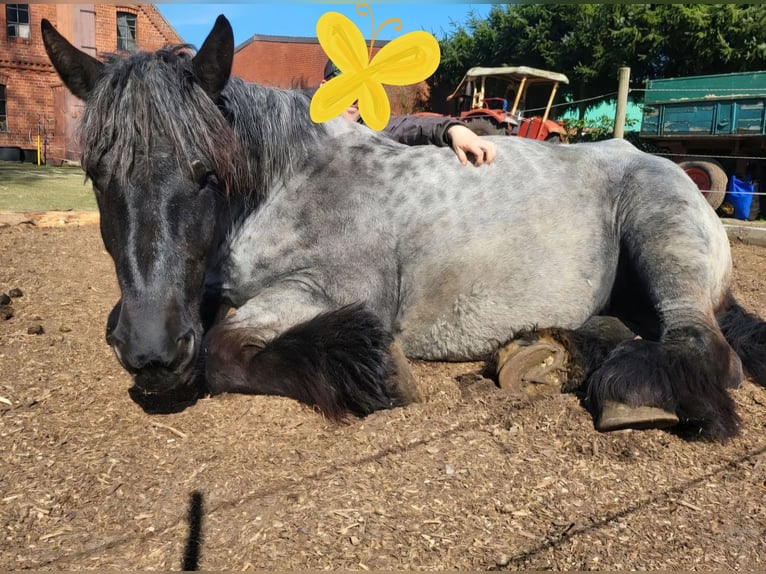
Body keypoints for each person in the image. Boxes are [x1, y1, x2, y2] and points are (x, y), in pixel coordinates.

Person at [318, 60, 496, 167]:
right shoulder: (305, 126)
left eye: (361, 86)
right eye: (344, 85)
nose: (354, 95)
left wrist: (453, 129)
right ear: (324, 87)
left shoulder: (369, 126)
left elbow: (409, 126)